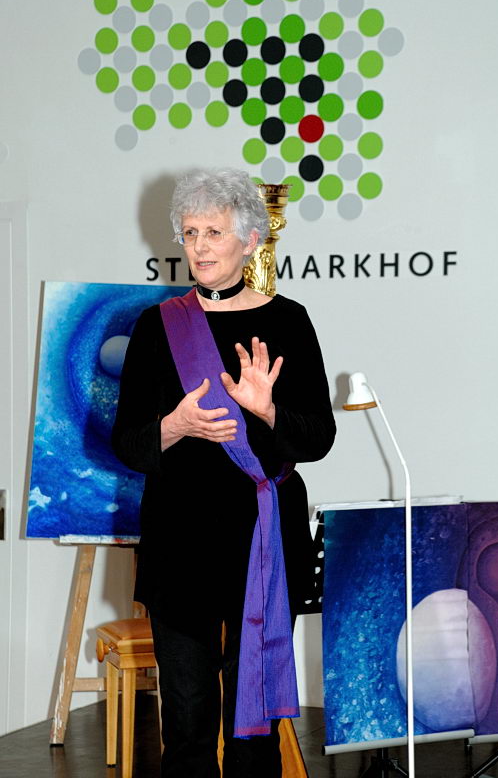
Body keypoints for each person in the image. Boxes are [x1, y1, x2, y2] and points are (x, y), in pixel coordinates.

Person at [112, 167, 336, 778]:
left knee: (253, 725)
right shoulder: (158, 327)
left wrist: (268, 411)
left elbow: (319, 437)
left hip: (262, 537)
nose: (200, 246)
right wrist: (176, 424)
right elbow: (128, 443)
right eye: (190, 233)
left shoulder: (289, 320)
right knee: (186, 723)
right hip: (180, 541)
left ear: (250, 239)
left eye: (214, 232)